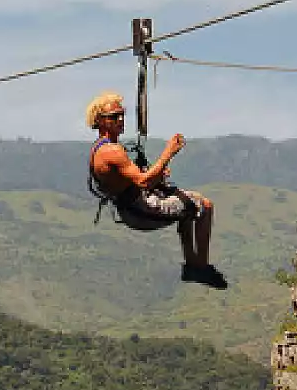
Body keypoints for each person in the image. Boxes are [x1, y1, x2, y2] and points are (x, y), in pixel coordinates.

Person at [85, 91, 228, 289]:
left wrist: (157, 176)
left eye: (121, 115)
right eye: (113, 117)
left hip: (132, 207)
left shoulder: (99, 148)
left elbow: (130, 181)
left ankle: (192, 264)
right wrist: (168, 153)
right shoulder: (112, 151)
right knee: (204, 205)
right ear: (100, 121)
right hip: (141, 209)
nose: (120, 120)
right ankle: (201, 267)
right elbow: (143, 181)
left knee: (187, 202)